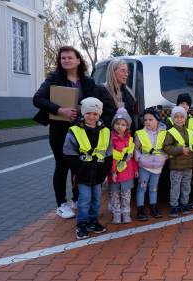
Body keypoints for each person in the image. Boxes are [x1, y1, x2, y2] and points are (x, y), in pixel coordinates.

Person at [32, 46, 112, 219]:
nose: (66, 60)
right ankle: (61, 204)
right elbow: (37, 99)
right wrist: (60, 110)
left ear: (78, 60)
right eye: (62, 58)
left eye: (69, 57)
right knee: (62, 165)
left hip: (83, 130)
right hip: (59, 130)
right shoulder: (53, 78)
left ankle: (76, 199)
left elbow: (96, 102)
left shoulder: (88, 82)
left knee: (80, 164)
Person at [62, 97, 112, 239]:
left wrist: (105, 170)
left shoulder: (105, 131)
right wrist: (77, 168)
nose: (91, 116)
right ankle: (81, 224)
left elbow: (108, 153)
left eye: (95, 114)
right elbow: (68, 152)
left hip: (98, 173)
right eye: (88, 113)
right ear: (83, 113)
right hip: (83, 173)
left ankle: (93, 220)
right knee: (84, 200)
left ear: (99, 115)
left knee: (96, 199)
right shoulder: (75, 131)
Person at [163, 106, 193, 217]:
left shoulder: (189, 132)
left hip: (188, 166)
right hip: (176, 167)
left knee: (186, 186)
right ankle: (174, 206)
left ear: (185, 118)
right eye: (176, 117)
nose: (179, 119)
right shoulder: (170, 132)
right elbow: (166, 147)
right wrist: (180, 150)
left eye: (182, 117)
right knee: (175, 187)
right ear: (173, 119)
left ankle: (184, 204)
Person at [134, 109, 168, 220]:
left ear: (157, 120)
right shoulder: (140, 134)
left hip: (158, 166)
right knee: (142, 187)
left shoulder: (164, 133)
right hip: (144, 165)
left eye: (150, 119)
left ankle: (153, 208)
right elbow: (136, 148)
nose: (147, 122)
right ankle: (140, 210)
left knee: (154, 187)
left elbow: (166, 147)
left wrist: (164, 157)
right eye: (145, 120)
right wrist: (139, 158)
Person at [108, 108, 137, 224]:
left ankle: (126, 213)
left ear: (127, 127)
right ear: (113, 124)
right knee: (114, 195)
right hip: (114, 173)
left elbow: (132, 156)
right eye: (117, 123)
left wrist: (135, 169)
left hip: (127, 172)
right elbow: (110, 157)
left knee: (126, 195)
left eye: (123, 124)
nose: (120, 126)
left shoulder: (130, 139)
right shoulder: (110, 138)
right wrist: (113, 172)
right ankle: (116, 214)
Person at [103, 59, 136, 130]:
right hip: (107, 137)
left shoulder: (129, 93)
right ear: (113, 72)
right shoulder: (101, 90)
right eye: (123, 71)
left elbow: (132, 118)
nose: (126, 74)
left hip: (126, 138)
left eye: (127, 71)